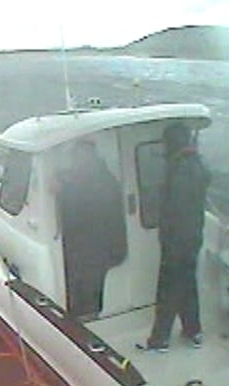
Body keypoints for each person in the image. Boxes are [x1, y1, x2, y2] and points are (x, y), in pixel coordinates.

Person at [143, 123, 211, 352]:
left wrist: (170, 239)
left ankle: (159, 340)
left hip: (177, 241)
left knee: (168, 289)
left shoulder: (180, 169)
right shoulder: (198, 164)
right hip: (193, 237)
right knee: (188, 284)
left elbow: (178, 207)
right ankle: (194, 332)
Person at [55, 139, 126, 319]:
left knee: (88, 283)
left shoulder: (101, 182)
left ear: (87, 158)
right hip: (89, 242)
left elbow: (83, 207)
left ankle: (88, 318)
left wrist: (61, 192)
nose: (75, 162)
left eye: (78, 158)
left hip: (97, 244)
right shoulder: (96, 176)